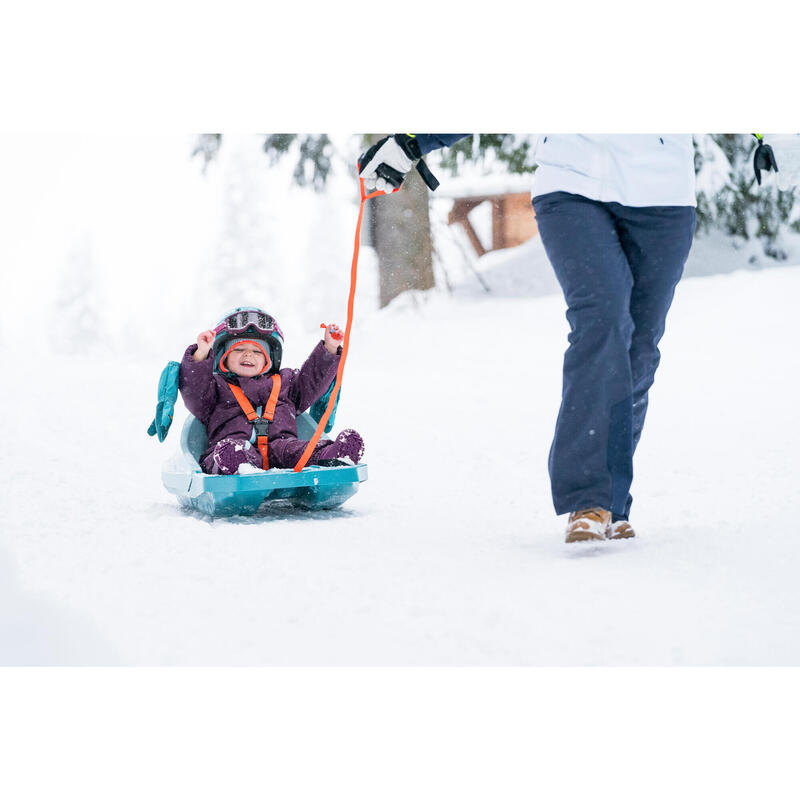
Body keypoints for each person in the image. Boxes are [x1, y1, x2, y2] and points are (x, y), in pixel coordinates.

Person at [359, 133, 701, 542]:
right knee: (602, 320)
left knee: (638, 349)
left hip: (663, 193)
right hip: (572, 181)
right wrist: (415, 140)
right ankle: (589, 498)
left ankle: (612, 501)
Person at [179, 306, 365, 475]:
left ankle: (335, 456)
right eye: (239, 349)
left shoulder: (286, 383)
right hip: (236, 449)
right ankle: (239, 468)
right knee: (229, 451)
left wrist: (330, 348)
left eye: (258, 351)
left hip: (282, 447)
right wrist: (201, 353)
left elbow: (313, 380)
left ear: (270, 359)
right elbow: (194, 389)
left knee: (303, 450)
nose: (248, 354)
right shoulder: (216, 387)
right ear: (223, 357)